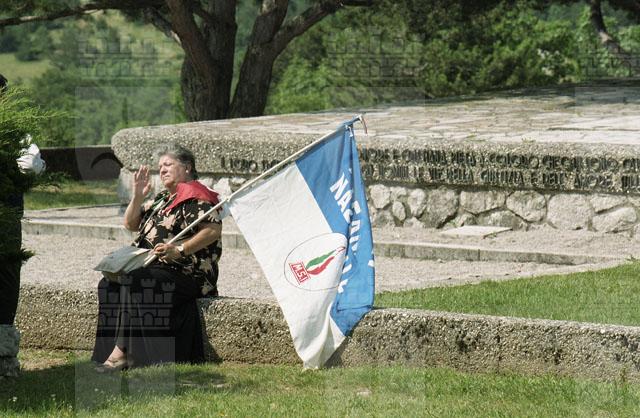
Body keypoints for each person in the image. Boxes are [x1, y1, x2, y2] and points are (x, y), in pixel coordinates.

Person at [92, 144, 222, 371]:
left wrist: (179, 250)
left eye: (168, 164)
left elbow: (212, 230)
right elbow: (131, 224)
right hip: (153, 267)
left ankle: (122, 353)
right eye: (160, 166)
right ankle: (108, 352)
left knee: (137, 281)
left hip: (187, 272)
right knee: (108, 284)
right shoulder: (163, 198)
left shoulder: (197, 196)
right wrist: (137, 197)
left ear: (187, 167)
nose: (162, 170)